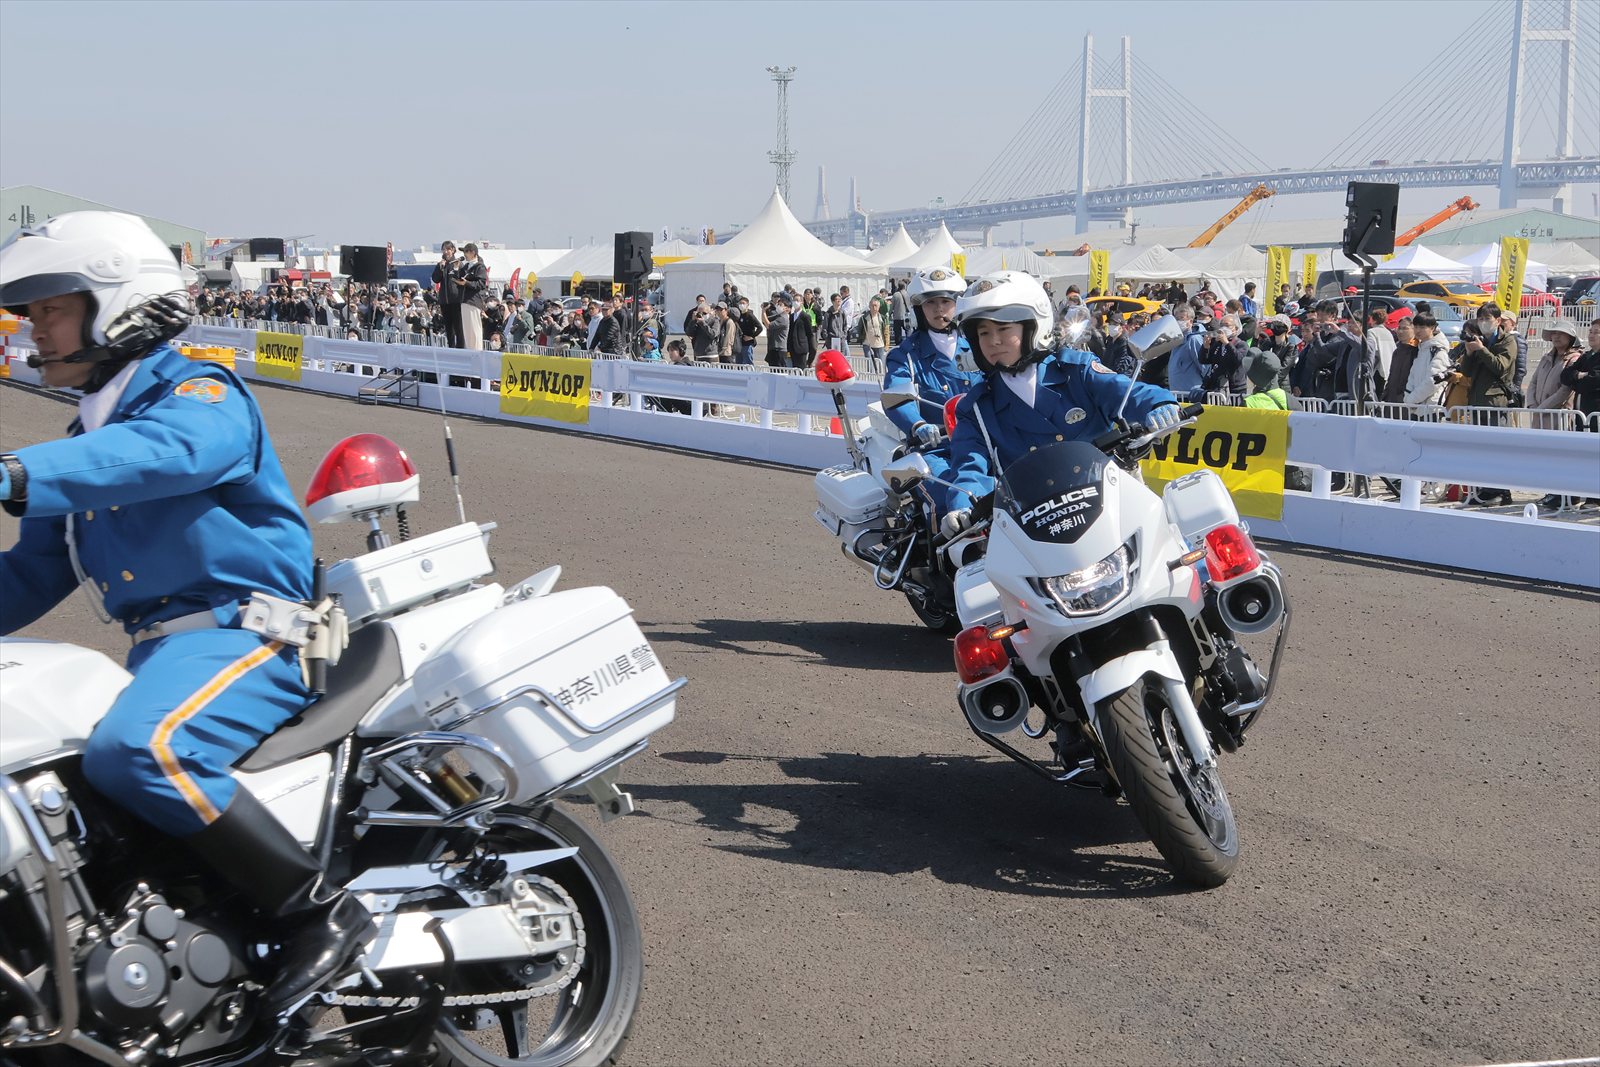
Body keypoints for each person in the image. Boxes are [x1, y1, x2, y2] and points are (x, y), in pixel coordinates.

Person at [0, 212, 374, 1014]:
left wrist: (14, 472)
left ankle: (318, 914)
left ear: (117, 307)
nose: (31, 328)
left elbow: (165, 454)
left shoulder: (200, 396)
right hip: (162, 658)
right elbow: (28, 574)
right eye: (29, 313)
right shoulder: (86, 438)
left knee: (141, 748)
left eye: (50, 309)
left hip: (249, 638)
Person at [941, 271, 1181, 528]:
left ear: (1034, 326)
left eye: (1003, 328)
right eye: (984, 333)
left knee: (1172, 541)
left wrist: (1158, 404)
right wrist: (962, 505)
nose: (994, 341)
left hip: (1113, 506)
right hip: (1039, 527)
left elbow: (1127, 392)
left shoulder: (1077, 372)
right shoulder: (977, 409)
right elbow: (969, 467)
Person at [432, 240, 465, 348]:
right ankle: (451, 348)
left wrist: (456, 269)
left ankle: (461, 349)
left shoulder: (458, 263)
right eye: (444, 249)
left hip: (456, 301)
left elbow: (462, 278)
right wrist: (440, 268)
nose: (446, 251)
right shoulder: (441, 264)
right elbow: (435, 279)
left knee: (459, 328)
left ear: (453, 250)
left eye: (448, 249)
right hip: (444, 301)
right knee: (449, 328)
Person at [457, 242, 489, 351]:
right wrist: (456, 269)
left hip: (474, 301)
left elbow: (481, 284)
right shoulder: (466, 266)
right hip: (464, 300)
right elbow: (457, 278)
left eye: (466, 251)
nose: (464, 254)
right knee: (467, 331)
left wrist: (467, 283)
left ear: (473, 252)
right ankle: (469, 352)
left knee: (474, 330)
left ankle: (477, 352)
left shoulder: (480, 266)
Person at [860, 295, 889, 372]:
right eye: (872, 306)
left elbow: (886, 332)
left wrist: (887, 345)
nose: (874, 307)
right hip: (867, 344)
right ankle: (871, 377)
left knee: (880, 365)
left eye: (876, 306)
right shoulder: (864, 318)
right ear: (869, 306)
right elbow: (860, 329)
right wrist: (862, 339)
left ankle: (880, 377)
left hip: (879, 344)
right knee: (869, 365)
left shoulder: (882, 318)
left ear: (879, 307)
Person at [762, 292, 791, 368]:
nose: (778, 306)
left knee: (779, 370)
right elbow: (764, 321)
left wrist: (764, 311)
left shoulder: (783, 318)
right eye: (778, 304)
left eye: (781, 305)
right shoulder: (778, 316)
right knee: (772, 369)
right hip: (773, 347)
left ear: (786, 308)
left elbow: (768, 325)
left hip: (779, 349)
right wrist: (764, 309)